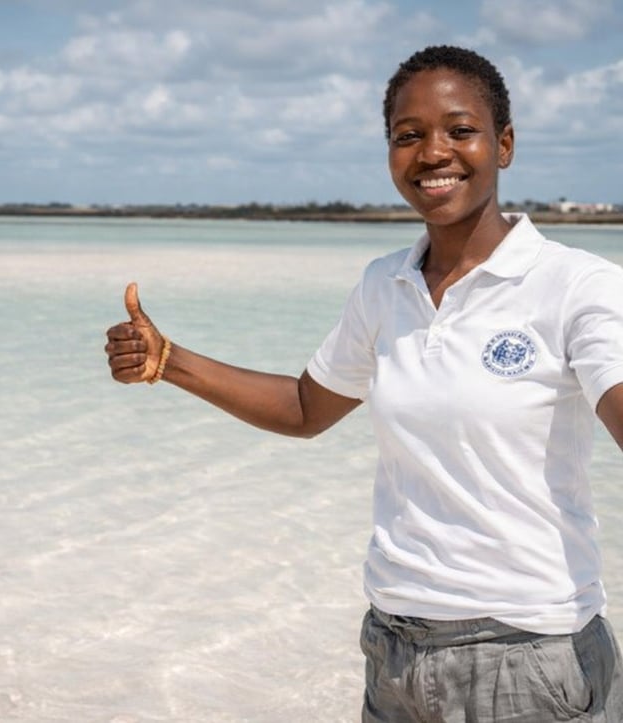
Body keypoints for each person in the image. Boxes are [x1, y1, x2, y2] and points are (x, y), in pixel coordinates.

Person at [105, 45, 623, 722]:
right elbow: (305, 407)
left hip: (528, 658)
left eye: (460, 130)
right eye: (408, 136)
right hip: (395, 651)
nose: (433, 153)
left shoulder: (577, 285)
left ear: (504, 144)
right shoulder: (386, 284)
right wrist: (170, 361)